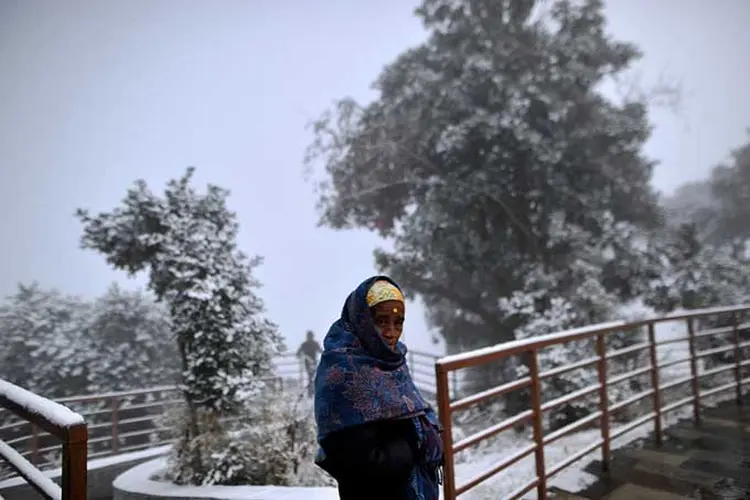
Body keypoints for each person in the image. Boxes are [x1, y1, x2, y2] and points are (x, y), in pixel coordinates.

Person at [313, 276, 444, 500]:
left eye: (398, 322)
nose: (391, 332)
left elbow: (413, 409)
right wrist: (417, 442)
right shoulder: (343, 370)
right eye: (382, 321)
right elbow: (359, 460)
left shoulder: (392, 360)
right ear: (362, 319)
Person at [297, 330, 322, 397]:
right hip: (312, 363)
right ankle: (312, 393)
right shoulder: (313, 343)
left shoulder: (305, 344)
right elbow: (321, 351)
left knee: (311, 377)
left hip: (309, 363)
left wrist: (302, 356)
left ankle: (311, 393)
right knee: (312, 377)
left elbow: (298, 354)